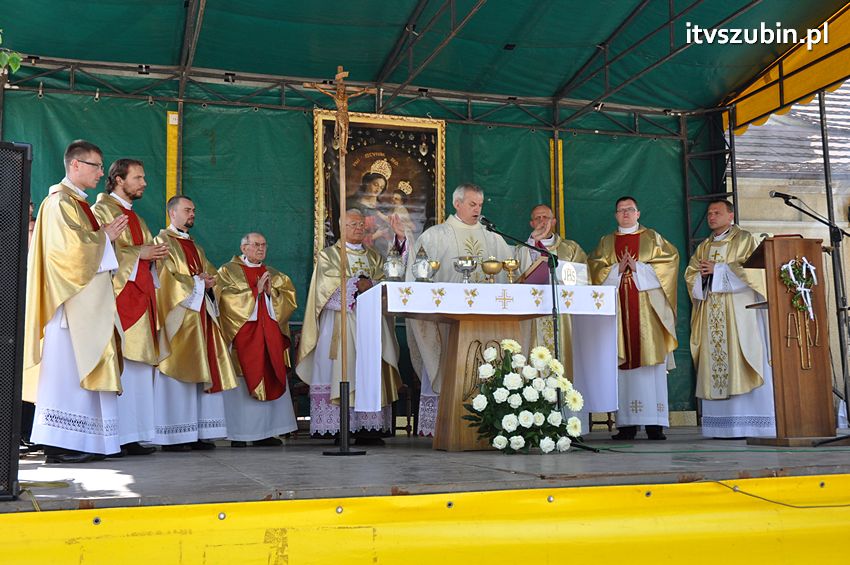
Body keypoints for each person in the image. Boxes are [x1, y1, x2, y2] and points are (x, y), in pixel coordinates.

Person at [23, 140, 128, 463]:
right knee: (67, 378)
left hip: (86, 306)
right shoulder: (58, 204)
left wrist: (103, 238)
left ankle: (84, 441)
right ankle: (61, 444)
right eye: (96, 166)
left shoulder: (78, 204)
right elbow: (67, 253)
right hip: (69, 308)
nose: (101, 173)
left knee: (78, 376)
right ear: (75, 165)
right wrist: (105, 237)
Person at [404, 183, 520, 436]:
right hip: (447, 322)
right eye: (472, 204)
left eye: (480, 204)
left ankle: (488, 424)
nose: (478, 209)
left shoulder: (494, 238)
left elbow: (515, 270)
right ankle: (444, 425)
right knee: (448, 366)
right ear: (457, 204)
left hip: (486, 323)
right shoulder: (435, 236)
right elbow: (417, 276)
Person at [296, 209, 402, 444]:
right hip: (340, 323)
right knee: (343, 369)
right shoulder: (329, 256)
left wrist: (371, 283)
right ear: (341, 228)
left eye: (361, 225)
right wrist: (356, 284)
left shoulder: (375, 257)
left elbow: (386, 283)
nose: (359, 228)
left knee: (370, 369)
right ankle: (341, 426)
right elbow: (324, 288)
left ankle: (369, 428)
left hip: (371, 325)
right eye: (353, 224)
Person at [92, 159, 168, 457]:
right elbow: (97, 252)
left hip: (141, 299)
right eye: (138, 177)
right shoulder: (102, 211)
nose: (144, 183)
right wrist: (140, 254)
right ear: (118, 180)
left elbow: (142, 254)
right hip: (118, 303)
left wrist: (152, 256)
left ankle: (133, 434)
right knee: (122, 367)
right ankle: (116, 434)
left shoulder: (136, 217)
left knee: (137, 371)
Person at [588, 196, 679, 441]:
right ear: (616, 215)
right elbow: (594, 269)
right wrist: (617, 269)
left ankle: (655, 424)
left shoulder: (653, 238)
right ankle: (626, 425)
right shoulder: (606, 242)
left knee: (650, 363)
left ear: (638, 213)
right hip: (618, 311)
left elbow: (670, 263)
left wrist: (639, 268)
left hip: (648, 313)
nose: (625, 214)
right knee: (622, 365)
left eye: (630, 210)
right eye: (621, 210)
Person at [153, 195, 238, 451]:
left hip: (201, 316)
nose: (192, 214)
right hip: (179, 319)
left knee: (204, 372)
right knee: (178, 372)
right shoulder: (162, 241)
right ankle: (174, 436)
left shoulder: (196, 247)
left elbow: (209, 274)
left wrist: (210, 283)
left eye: (193, 210)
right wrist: (197, 282)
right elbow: (165, 279)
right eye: (187, 209)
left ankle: (200, 432)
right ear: (172, 213)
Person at [684, 199, 774, 438]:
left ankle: (750, 425)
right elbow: (692, 274)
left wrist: (719, 270)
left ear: (730, 216)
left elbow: (755, 271)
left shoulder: (745, 239)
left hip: (739, 313)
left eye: (717, 212)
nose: (711, 216)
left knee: (741, 356)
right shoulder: (703, 246)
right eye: (709, 213)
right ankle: (721, 426)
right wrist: (703, 278)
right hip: (712, 312)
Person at [218, 232, 299, 447]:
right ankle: (239, 435)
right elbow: (224, 299)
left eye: (264, 245)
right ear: (243, 248)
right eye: (255, 245)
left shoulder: (274, 274)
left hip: (269, 338)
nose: (261, 248)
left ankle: (266, 432)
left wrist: (272, 294)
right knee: (242, 382)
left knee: (271, 373)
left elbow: (289, 301)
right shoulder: (228, 271)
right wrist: (254, 292)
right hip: (244, 339)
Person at [517, 204, 587, 380]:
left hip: (562, 314)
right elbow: (517, 276)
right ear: (531, 223)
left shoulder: (570, 248)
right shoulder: (523, 249)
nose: (542, 222)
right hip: (533, 314)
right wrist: (532, 243)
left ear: (554, 221)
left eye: (546, 218)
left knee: (562, 356)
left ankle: (564, 398)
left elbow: (583, 277)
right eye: (537, 218)